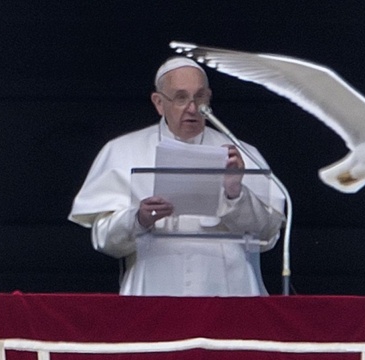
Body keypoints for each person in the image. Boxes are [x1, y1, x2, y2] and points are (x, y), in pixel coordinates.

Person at [69, 57, 285, 296]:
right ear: (159, 102)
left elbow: (268, 234)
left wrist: (236, 193)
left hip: (228, 287)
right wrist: (139, 218)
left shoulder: (242, 154)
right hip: (153, 287)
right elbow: (103, 239)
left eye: (200, 97)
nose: (193, 108)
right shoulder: (122, 150)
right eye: (181, 97)